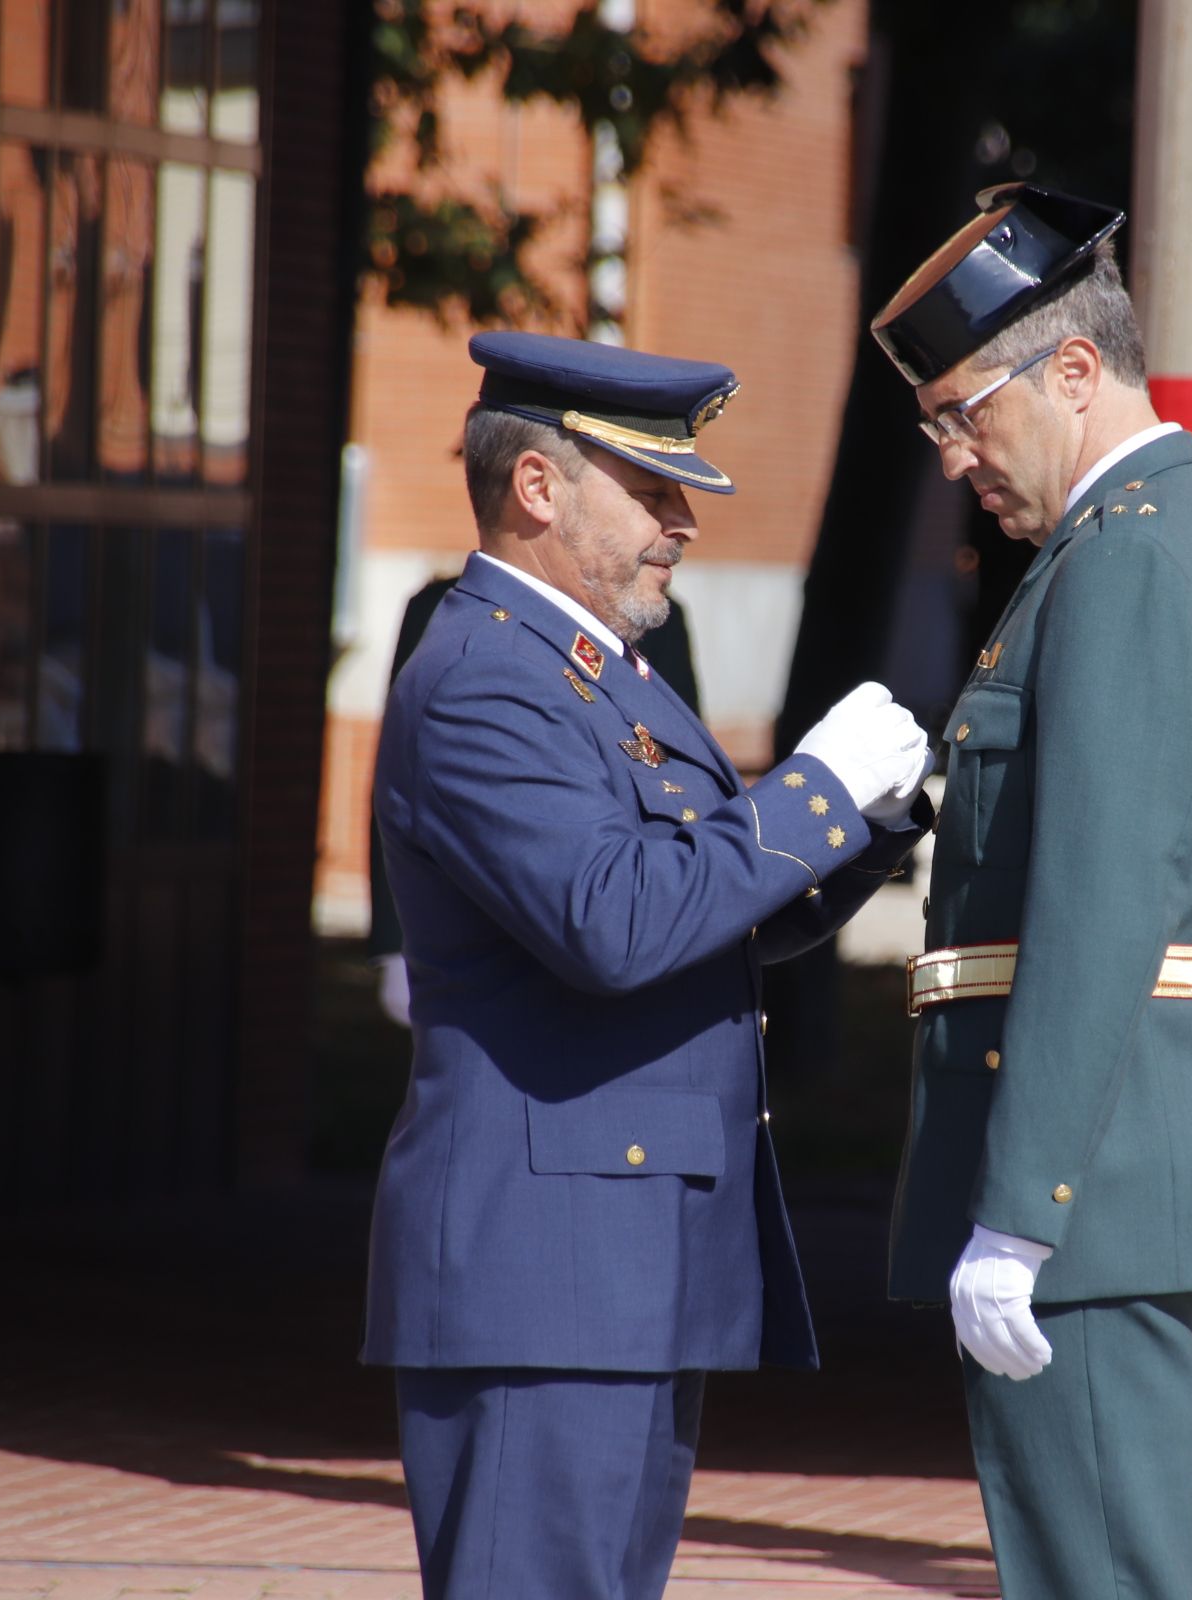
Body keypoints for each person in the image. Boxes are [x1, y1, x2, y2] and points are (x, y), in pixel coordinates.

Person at [362, 330, 936, 1600]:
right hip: (544, 1271)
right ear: (538, 488)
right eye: (653, 488)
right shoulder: (485, 682)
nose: (682, 522)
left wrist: (857, 825)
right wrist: (811, 794)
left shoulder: (599, 674)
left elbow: (700, 912)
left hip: (611, 1260)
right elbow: (616, 922)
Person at [874, 185, 1192, 1599]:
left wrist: (1021, 1211)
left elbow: (1097, 906)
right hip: (1130, 1178)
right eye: (935, 425)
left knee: (1105, 1577)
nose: (955, 460)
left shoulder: (1126, 560)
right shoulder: (1172, 535)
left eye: (966, 414)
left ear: (1074, 370)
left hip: (1093, 1188)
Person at [367, 578, 703, 1026]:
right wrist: (394, 935)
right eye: (651, 501)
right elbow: (402, 780)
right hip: (468, 921)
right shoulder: (441, 610)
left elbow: (681, 781)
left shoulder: (655, 619)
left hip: (613, 896)